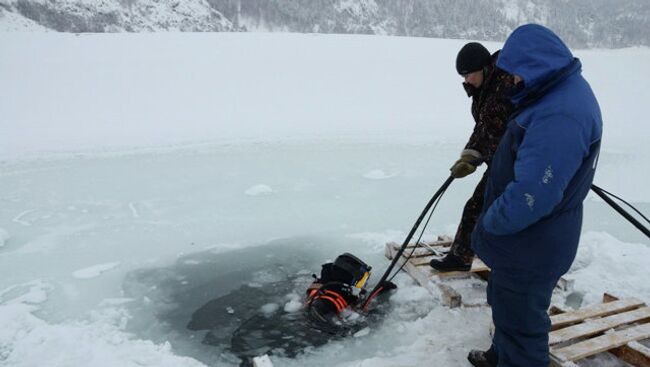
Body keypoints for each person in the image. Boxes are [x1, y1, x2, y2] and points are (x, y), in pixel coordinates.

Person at [468, 24, 603, 367]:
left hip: (531, 243)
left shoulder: (560, 113)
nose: (511, 81)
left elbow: (533, 195)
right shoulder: (553, 94)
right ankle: (500, 355)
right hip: (524, 242)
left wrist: (489, 224)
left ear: (535, 64)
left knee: (523, 326)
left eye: (515, 74)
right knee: (506, 306)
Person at [430, 42, 514, 272]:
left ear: (484, 68)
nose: (466, 80)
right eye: (463, 76)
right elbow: (483, 129)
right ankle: (462, 257)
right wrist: (468, 156)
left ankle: (516, 261)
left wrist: (474, 157)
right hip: (500, 161)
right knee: (477, 207)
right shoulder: (483, 90)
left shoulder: (503, 85)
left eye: (468, 74)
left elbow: (499, 129)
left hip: (518, 163)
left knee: (485, 209)